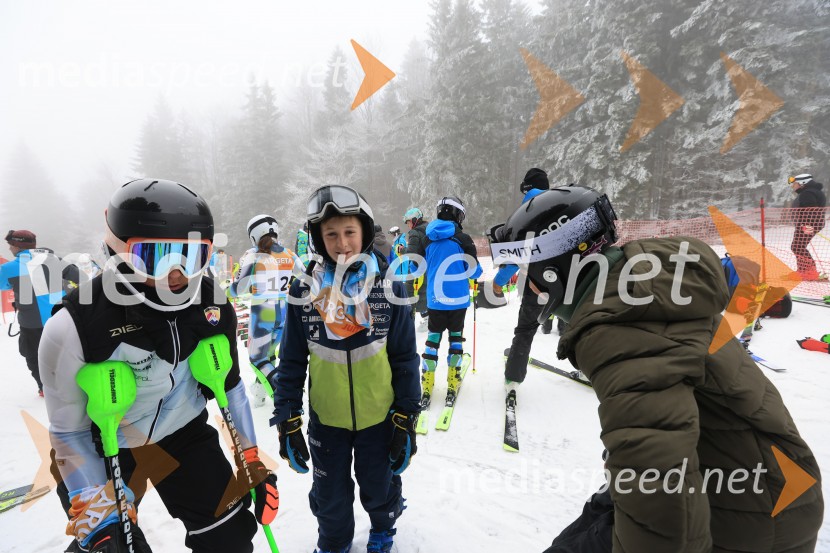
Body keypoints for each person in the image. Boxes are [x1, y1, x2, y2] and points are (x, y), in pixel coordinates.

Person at [489, 185, 823, 552]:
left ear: (554, 271)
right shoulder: (644, 284)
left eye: (528, 270)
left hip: (752, 512)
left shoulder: (618, 326)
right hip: (765, 482)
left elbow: (665, 490)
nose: (529, 284)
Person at [39, 179, 276, 553]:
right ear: (117, 251)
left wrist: (250, 457)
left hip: (183, 432)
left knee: (229, 538)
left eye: (193, 256)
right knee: (114, 546)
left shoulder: (212, 305)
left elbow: (230, 387)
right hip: (104, 442)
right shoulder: (73, 325)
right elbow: (68, 433)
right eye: (156, 256)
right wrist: (98, 515)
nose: (177, 274)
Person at [270, 185, 420, 553]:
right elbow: (290, 358)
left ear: (364, 232)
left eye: (349, 232)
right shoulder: (304, 290)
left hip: (379, 418)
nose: (342, 244)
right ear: (319, 240)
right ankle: (334, 542)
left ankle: (383, 531)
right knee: (331, 498)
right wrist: (287, 417)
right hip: (328, 418)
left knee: (379, 487)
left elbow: (404, 357)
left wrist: (406, 416)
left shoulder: (387, 286)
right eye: (331, 235)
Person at [479, 168, 552, 399]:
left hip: (537, 284)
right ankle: (585, 367)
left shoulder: (525, 213)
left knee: (525, 331)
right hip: (570, 280)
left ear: (526, 189)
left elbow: (513, 257)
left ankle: (513, 379)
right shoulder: (560, 206)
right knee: (577, 325)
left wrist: (498, 283)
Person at [409, 196, 481, 408]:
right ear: (458, 215)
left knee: (433, 340)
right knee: (456, 339)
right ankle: (452, 382)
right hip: (458, 301)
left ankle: (427, 386)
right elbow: (474, 269)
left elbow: (416, 269)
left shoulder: (427, 238)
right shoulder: (463, 239)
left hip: (435, 300)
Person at [228, 214, 300, 407]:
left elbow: (239, 288)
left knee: (257, 358)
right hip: (285, 310)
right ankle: (260, 392)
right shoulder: (289, 253)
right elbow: (305, 275)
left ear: (253, 235)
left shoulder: (253, 254)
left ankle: (282, 393)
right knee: (269, 354)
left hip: (264, 310)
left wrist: (225, 291)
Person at [1, 230, 79, 396]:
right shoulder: (55, 260)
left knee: (33, 355)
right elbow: (79, 276)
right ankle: (73, 384)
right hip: (62, 317)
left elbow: (4, 286)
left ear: (17, 246)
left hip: (32, 322)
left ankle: (45, 388)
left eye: (10, 245)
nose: (9, 249)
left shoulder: (8, 268)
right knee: (67, 352)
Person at [788, 173, 826, 280]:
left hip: (808, 224)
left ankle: (809, 272)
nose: (793, 186)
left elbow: (811, 210)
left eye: (795, 183)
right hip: (806, 224)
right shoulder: (809, 192)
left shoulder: (808, 193)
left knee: (797, 247)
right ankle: (803, 271)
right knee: (798, 246)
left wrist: (807, 224)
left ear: (802, 183)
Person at [402, 207, 429, 329]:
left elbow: (412, 253)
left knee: (410, 294)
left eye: (408, 222)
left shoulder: (414, 233)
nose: (408, 225)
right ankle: (427, 318)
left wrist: (402, 250)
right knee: (423, 294)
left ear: (414, 220)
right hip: (427, 268)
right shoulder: (428, 229)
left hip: (415, 268)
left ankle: (408, 323)